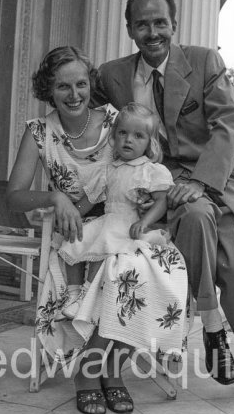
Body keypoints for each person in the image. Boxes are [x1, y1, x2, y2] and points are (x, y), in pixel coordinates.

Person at [92, 0, 234, 408]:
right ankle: (212, 326)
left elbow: (228, 126)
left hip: (219, 181)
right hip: (165, 186)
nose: (152, 31)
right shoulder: (112, 75)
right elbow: (78, 110)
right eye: (142, 24)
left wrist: (201, 181)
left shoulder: (202, 62)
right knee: (194, 217)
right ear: (129, 29)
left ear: (173, 25)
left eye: (160, 22)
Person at [7, 46, 133, 414]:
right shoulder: (39, 132)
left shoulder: (115, 123)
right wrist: (54, 196)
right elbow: (13, 196)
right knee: (110, 271)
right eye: (63, 87)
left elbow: (140, 165)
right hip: (74, 232)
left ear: (91, 84)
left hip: (120, 228)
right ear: (48, 89)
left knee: (137, 271)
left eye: (81, 84)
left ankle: (102, 367)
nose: (74, 94)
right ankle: (93, 372)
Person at [55, 102, 189, 362]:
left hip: (128, 225)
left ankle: (88, 297)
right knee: (77, 240)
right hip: (108, 220)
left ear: (149, 143)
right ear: (114, 137)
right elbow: (88, 200)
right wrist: (72, 214)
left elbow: (161, 200)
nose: (129, 140)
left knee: (106, 254)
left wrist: (146, 220)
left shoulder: (152, 171)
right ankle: (75, 294)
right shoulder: (106, 170)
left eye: (138, 136)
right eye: (123, 133)